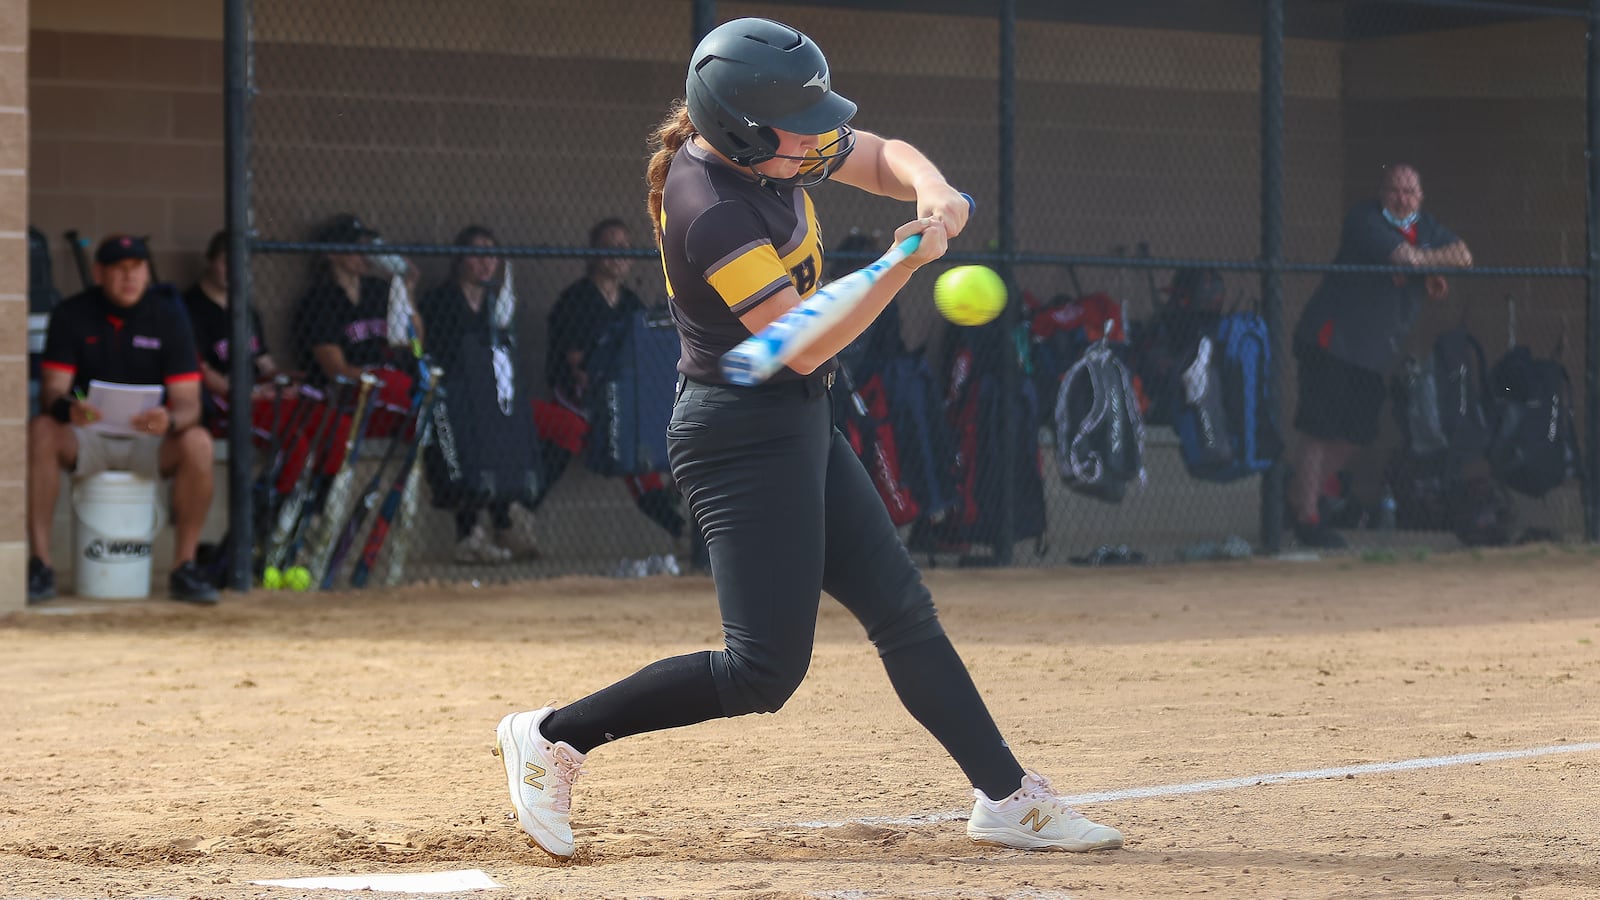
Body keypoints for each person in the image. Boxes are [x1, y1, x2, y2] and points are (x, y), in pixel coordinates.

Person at [494, 17, 1122, 858]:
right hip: (737, 436)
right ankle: (552, 736)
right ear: (744, 132)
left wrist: (932, 195)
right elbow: (800, 341)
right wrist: (899, 264)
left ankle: (1007, 796)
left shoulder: (775, 147)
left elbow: (883, 153)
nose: (823, 135)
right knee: (763, 672)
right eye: (806, 123)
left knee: (901, 607)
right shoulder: (710, 208)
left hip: (795, 421)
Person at [1288, 163, 1473, 548]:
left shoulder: (1426, 227)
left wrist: (1429, 262)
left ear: (1420, 197)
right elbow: (1404, 259)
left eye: (1410, 192)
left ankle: (1292, 494)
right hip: (1332, 340)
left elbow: (1463, 254)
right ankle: (1305, 516)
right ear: (1381, 193)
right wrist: (1429, 265)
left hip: (1372, 353)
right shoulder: (1365, 219)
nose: (1402, 199)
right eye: (1394, 190)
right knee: (1319, 429)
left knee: (1356, 435)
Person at [27, 235, 219, 604]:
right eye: (118, 269)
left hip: (149, 437)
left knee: (198, 442)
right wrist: (70, 409)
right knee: (40, 432)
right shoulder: (72, 313)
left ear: (147, 271)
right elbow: (53, 390)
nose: (129, 278)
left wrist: (170, 420)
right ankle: (40, 564)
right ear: (99, 273)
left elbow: (189, 403)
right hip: (86, 435)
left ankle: (185, 566)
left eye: (136, 268)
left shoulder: (169, 316)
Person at [536, 217, 688, 550]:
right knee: (624, 436)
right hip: (581, 397)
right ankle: (679, 529)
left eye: (624, 247)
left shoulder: (631, 302)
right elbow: (578, 367)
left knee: (649, 435)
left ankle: (680, 522)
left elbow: (644, 362)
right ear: (593, 253)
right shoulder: (576, 299)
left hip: (621, 398)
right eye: (609, 246)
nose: (618, 254)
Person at [418, 225, 542, 563]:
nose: (485, 262)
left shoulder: (495, 304)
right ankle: (469, 533)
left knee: (507, 437)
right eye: (476, 253)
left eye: (491, 253)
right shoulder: (441, 301)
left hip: (491, 399)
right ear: (460, 260)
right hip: (454, 397)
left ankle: (505, 523)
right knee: (464, 447)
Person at [287, 214, 419, 485]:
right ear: (333, 254)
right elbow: (336, 369)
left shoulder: (380, 291)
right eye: (355, 247)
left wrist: (406, 291)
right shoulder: (320, 300)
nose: (365, 254)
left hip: (396, 392)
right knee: (423, 408)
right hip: (355, 395)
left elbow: (414, 342)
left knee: (436, 410)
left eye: (367, 247)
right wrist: (380, 380)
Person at [180, 229, 284, 436]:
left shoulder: (246, 309)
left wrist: (280, 383)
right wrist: (245, 394)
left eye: (242, 265)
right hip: (222, 399)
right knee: (288, 435)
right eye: (226, 263)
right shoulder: (189, 307)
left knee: (311, 417)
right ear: (210, 261)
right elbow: (204, 372)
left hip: (257, 393)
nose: (233, 271)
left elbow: (263, 359)